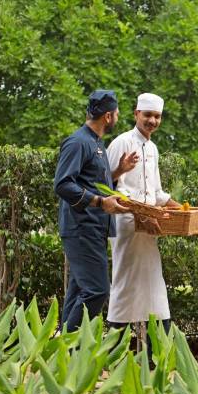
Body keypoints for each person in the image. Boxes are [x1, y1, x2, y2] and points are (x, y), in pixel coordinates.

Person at [54, 90, 138, 332]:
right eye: (118, 113)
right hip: (81, 229)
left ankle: (64, 355)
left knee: (80, 289)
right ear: (108, 116)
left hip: (95, 228)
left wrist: (118, 171)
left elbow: (88, 182)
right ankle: (67, 345)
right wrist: (101, 203)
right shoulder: (78, 142)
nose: (118, 117)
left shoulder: (95, 143)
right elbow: (62, 184)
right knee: (97, 290)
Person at [106, 92, 180, 340]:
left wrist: (182, 210)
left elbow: (156, 194)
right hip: (127, 225)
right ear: (136, 114)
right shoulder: (122, 143)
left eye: (157, 116)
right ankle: (113, 350)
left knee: (154, 287)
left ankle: (154, 354)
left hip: (150, 228)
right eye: (148, 115)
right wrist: (141, 213)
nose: (152, 121)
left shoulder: (153, 148)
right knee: (125, 284)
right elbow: (110, 187)